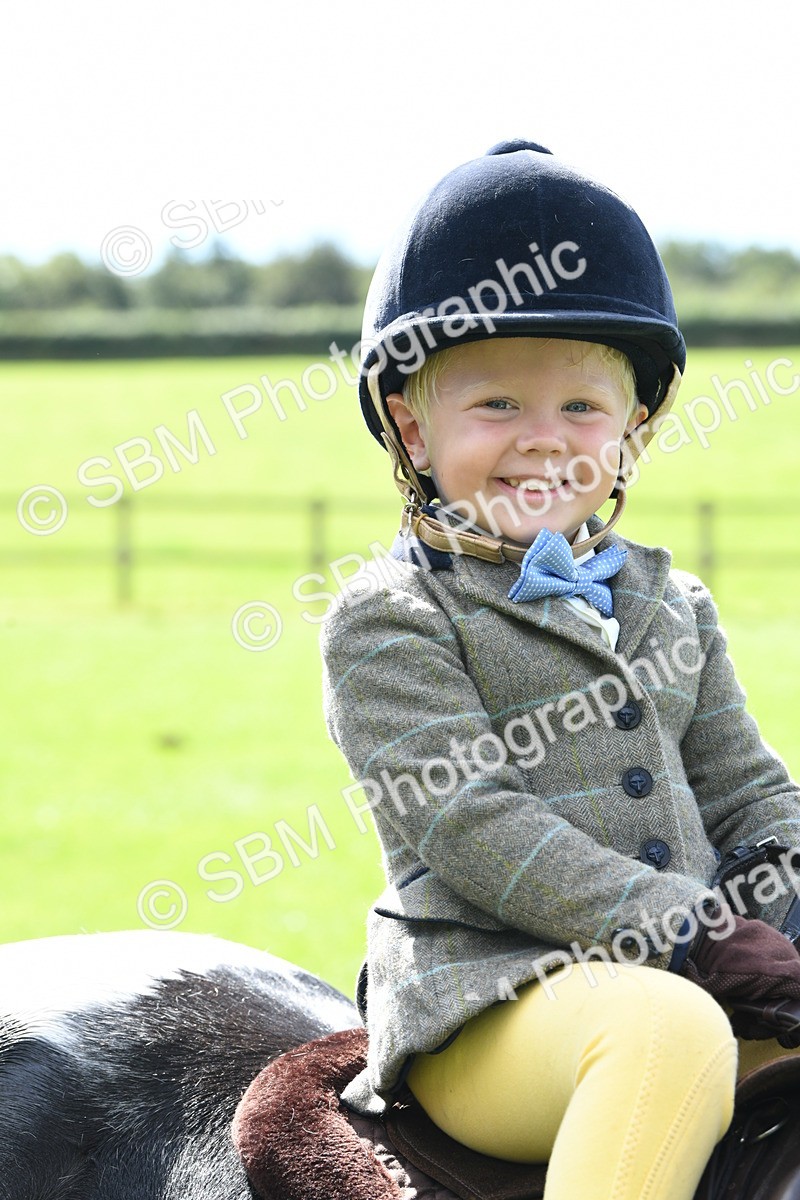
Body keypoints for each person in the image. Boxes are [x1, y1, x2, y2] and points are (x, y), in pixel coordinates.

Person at [319, 140, 800, 1200]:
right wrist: (693, 934)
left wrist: (783, 897)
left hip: (700, 967)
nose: (545, 442)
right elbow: (473, 825)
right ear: (412, 427)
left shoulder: (673, 602)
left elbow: (750, 791)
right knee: (663, 1032)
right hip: (494, 1002)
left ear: (632, 431)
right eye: (496, 405)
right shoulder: (388, 618)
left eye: (581, 409)